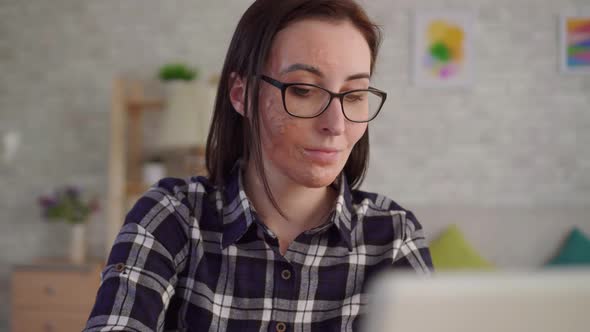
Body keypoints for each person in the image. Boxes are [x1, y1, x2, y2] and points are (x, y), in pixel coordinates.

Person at [84, 0, 433, 331]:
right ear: (241, 94)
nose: (336, 125)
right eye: (302, 90)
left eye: (354, 95)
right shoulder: (171, 216)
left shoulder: (394, 237)